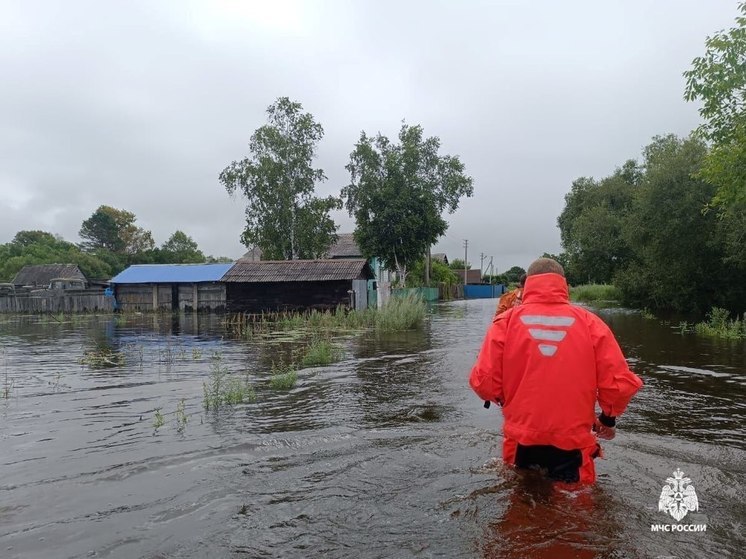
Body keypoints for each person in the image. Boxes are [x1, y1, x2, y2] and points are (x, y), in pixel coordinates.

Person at [469, 257, 643, 484]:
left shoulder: (505, 323)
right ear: (564, 284)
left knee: (519, 508)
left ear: (527, 284)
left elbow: (483, 381)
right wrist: (607, 419)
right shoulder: (591, 324)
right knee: (576, 510)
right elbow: (618, 384)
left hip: (521, 439)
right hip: (572, 441)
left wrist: (505, 400)